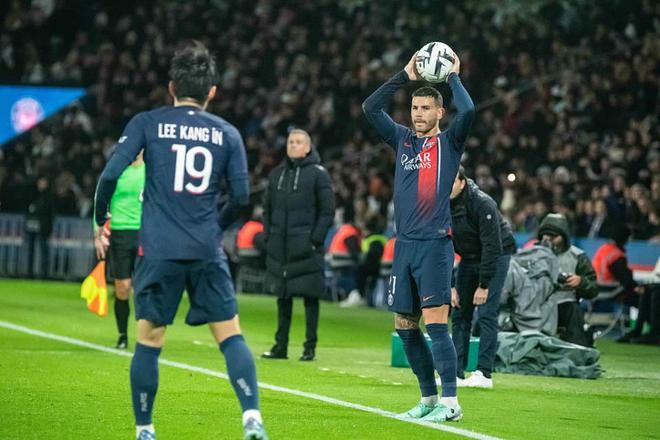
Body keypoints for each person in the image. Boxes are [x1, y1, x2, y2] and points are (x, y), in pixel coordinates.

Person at [93, 42, 267, 440]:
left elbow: (109, 175)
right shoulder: (227, 133)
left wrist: (101, 218)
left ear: (171, 87)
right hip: (205, 248)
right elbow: (241, 197)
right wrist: (213, 226)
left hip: (158, 249)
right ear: (212, 92)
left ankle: (145, 429)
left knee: (149, 341)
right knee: (230, 335)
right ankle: (252, 417)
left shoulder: (147, 123)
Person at [362, 49, 475, 423]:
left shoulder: (450, 143)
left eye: (426, 108)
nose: (418, 114)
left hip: (434, 245)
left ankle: (451, 401)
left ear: (440, 112)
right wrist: (404, 75)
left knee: (436, 324)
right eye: (414, 108)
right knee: (405, 327)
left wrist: (453, 76)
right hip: (405, 245)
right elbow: (370, 108)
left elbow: (469, 111)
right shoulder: (403, 140)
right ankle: (428, 398)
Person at [261, 129, 335, 361]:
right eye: (291, 142)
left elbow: (327, 210)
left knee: (310, 297)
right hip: (281, 248)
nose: (293, 145)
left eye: (298, 142)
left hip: (306, 248)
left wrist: (315, 240)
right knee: (283, 297)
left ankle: (309, 347)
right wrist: (268, 236)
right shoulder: (277, 174)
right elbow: (267, 209)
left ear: (308, 147)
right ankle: (280, 346)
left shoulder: (318, 174)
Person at [449, 168, 515, 388]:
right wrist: (450, 285)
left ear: (462, 182)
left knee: (486, 313)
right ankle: (455, 373)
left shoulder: (482, 203)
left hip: (496, 255)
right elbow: (442, 245)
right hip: (468, 256)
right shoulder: (441, 203)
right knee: (460, 313)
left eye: (451, 182)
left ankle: (484, 374)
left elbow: (492, 246)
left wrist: (484, 285)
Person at [537, 213, 598, 346]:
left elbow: (593, 288)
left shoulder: (577, 256)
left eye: (553, 236)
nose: (548, 239)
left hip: (565, 306)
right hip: (536, 306)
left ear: (564, 236)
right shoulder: (531, 254)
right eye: (545, 235)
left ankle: (576, 347)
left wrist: (581, 282)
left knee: (573, 310)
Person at [105, 151, 145, 349]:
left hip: (145, 233)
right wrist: (98, 229)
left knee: (145, 286)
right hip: (120, 233)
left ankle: (147, 336)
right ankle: (123, 335)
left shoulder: (153, 170)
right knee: (123, 287)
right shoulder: (117, 169)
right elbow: (101, 197)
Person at [25, 176, 53, 278]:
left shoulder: (49, 197)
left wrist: (49, 227)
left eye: (44, 182)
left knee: (44, 250)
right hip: (32, 225)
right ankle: (29, 272)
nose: (42, 184)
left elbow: (50, 214)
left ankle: (44, 272)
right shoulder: (33, 194)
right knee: (31, 250)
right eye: (41, 182)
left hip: (43, 227)